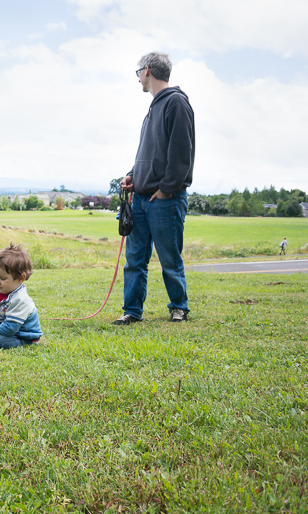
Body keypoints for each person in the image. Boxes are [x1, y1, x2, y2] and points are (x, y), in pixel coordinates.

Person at [113, 51, 195, 325]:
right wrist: (132, 175)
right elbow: (148, 153)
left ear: (147, 70)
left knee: (169, 258)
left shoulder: (176, 103)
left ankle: (179, 308)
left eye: (138, 74)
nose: (138, 80)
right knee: (135, 260)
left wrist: (167, 189)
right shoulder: (153, 107)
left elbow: (181, 153)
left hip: (164, 200)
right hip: (141, 198)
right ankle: (132, 311)